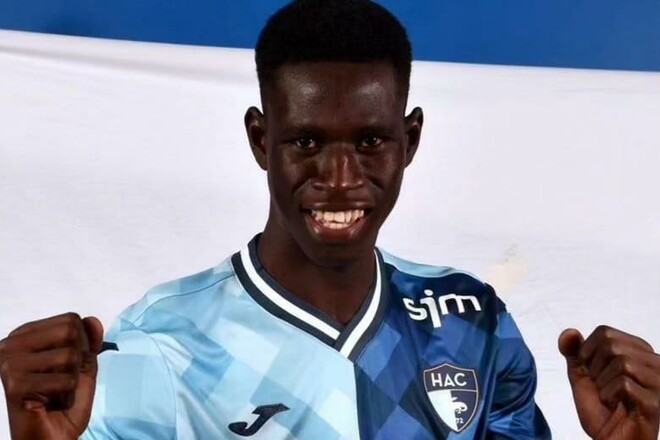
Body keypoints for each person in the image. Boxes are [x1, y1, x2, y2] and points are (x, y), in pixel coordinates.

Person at [1, 0, 659, 438]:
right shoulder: (163, 337)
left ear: (409, 140)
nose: (340, 178)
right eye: (307, 142)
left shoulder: (471, 320)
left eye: (369, 141)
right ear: (261, 140)